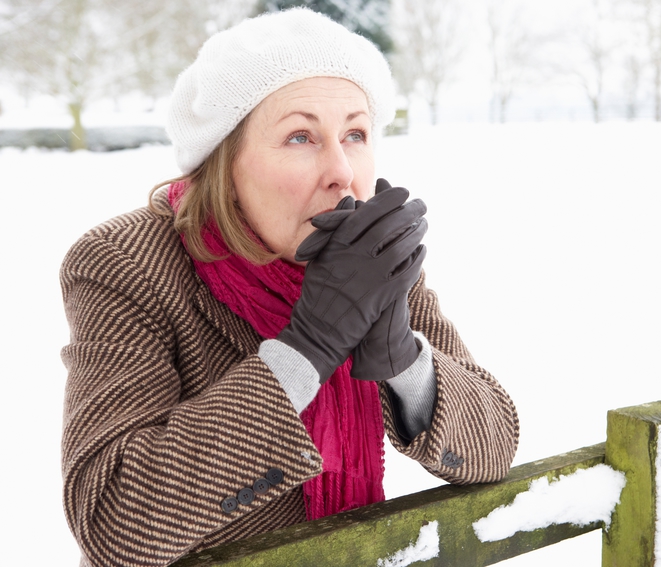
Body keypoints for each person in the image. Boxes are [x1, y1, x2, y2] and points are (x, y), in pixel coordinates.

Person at [60, 8, 519, 567]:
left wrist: (405, 361)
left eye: (355, 133)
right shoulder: (125, 264)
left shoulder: (370, 261)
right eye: (301, 136)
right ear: (224, 162)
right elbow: (112, 521)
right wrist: (309, 347)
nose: (342, 173)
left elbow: (492, 446)